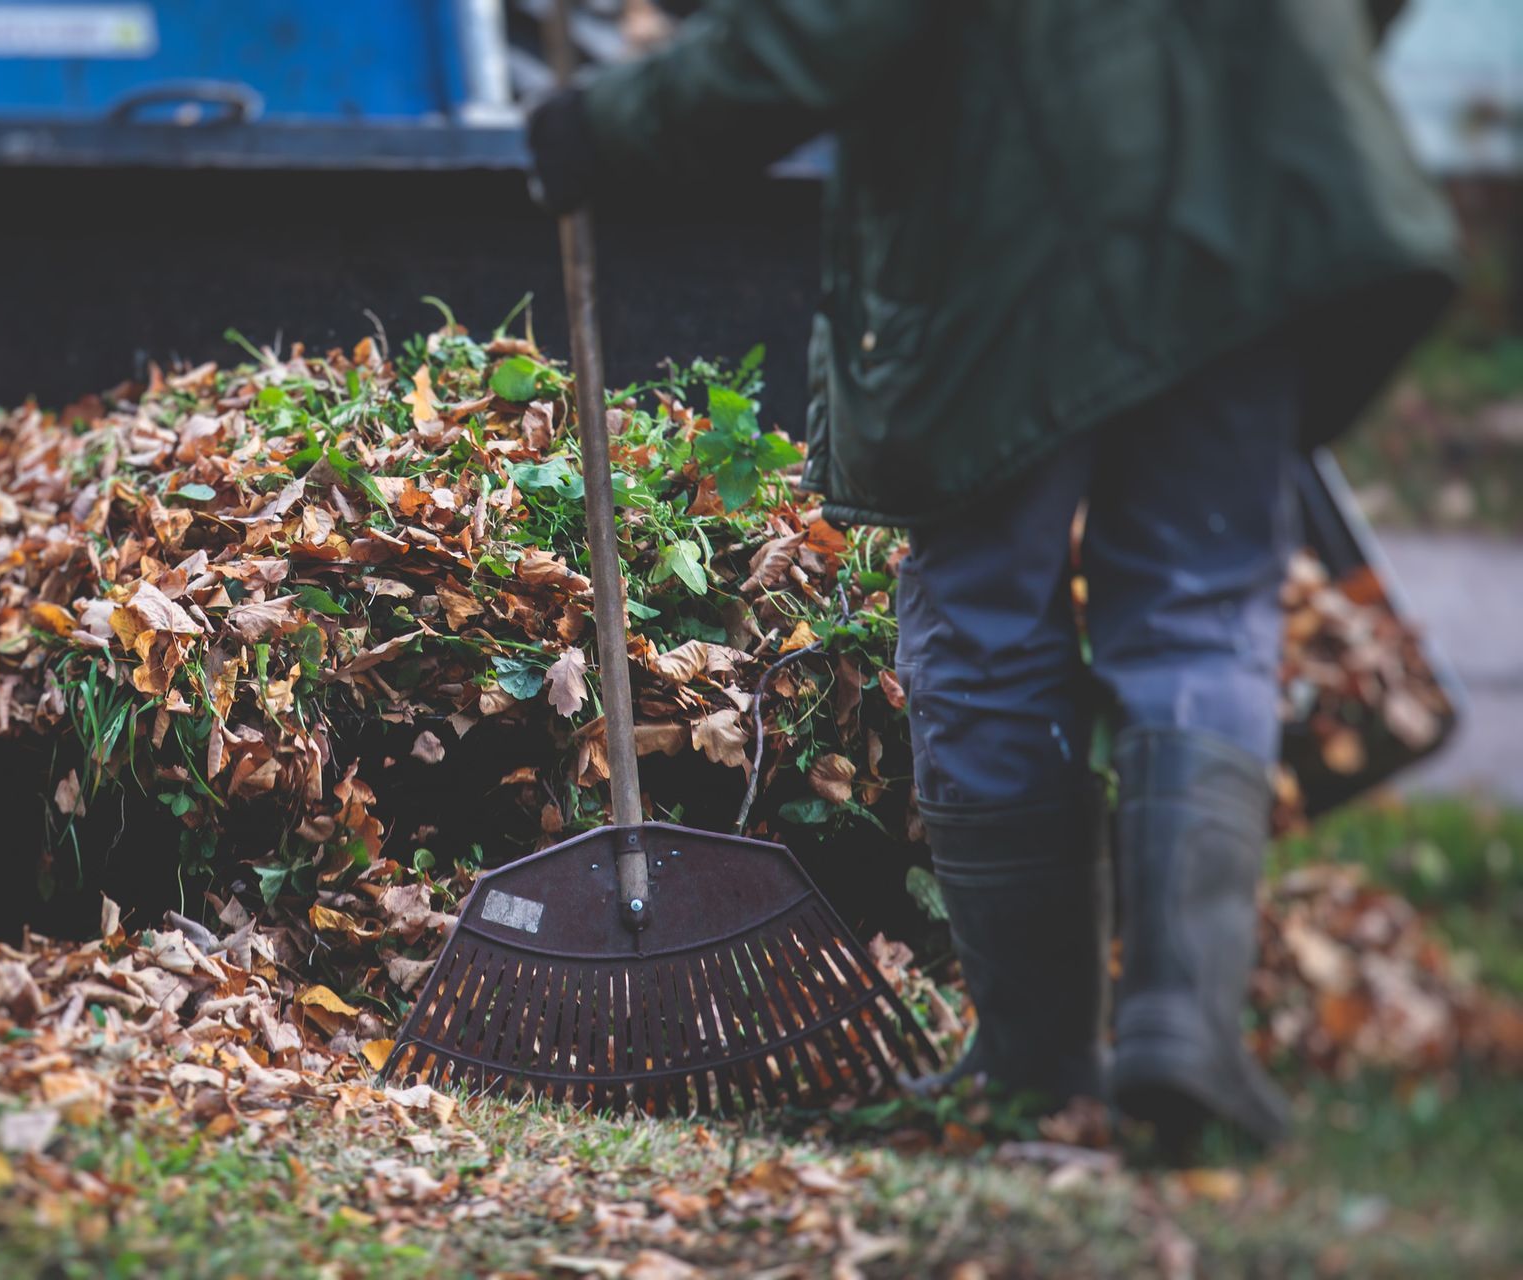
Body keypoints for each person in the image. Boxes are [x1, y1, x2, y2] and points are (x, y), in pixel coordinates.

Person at [526, 0, 1457, 1150]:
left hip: (1014, 211)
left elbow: (827, 27)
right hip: (1256, 167)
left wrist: (614, 123)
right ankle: (1180, 1027)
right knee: (1200, 604)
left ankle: (1035, 1064)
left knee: (984, 608)